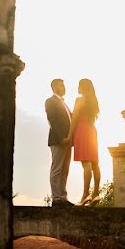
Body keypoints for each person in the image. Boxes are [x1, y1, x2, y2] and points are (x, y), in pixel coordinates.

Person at [68, 78, 101, 206]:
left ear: (84, 87)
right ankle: (96, 194)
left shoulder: (79, 100)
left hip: (81, 130)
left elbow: (75, 119)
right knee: (95, 164)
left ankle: (85, 195)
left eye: (79, 86)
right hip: (92, 130)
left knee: (86, 164)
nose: (77, 88)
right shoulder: (94, 101)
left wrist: (69, 135)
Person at [45, 78, 73, 206]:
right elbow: (52, 121)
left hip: (68, 141)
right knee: (57, 168)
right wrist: (61, 137)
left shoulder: (64, 104)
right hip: (58, 140)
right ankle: (56, 198)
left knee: (65, 170)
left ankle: (63, 198)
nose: (64, 87)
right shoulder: (50, 101)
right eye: (62, 85)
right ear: (54, 87)